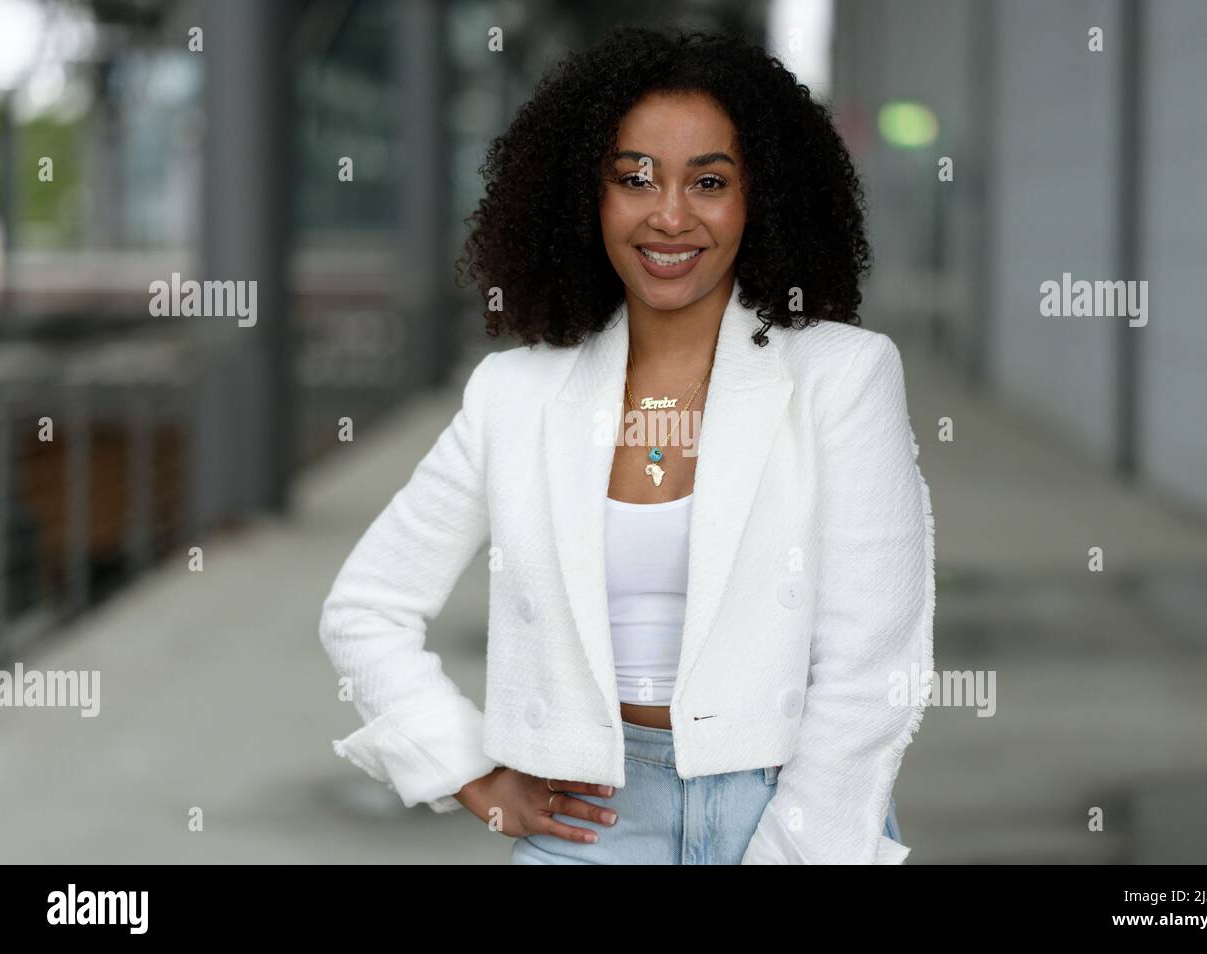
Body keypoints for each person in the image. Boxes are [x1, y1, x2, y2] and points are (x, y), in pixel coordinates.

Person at [319, 26, 934, 865]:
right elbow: (366, 610)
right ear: (587, 197)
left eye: (709, 182)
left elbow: (872, 672)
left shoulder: (845, 377)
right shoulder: (516, 394)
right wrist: (469, 774)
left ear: (762, 198)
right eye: (634, 179)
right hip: (592, 825)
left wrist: (794, 851)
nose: (670, 215)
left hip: (794, 809)